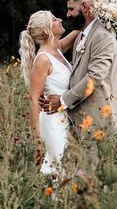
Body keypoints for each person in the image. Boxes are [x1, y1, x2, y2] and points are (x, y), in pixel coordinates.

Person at [42, 0, 117, 163]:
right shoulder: (82, 36)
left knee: (93, 181)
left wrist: (62, 100)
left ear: (85, 7)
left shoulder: (102, 35)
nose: (68, 14)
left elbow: (94, 78)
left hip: (98, 121)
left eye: (71, 9)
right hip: (81, 122)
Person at [19, 11, 79, 174]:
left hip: (66, 117)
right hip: (52, 120)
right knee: (57, 168)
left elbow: (80, 28)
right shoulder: (43, 59)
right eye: (54, 19)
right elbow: (33, 100)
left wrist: (103, 13)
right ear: (46, 31)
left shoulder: (57, 49)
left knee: (67, 169)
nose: (60, 19)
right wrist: (37, 141)